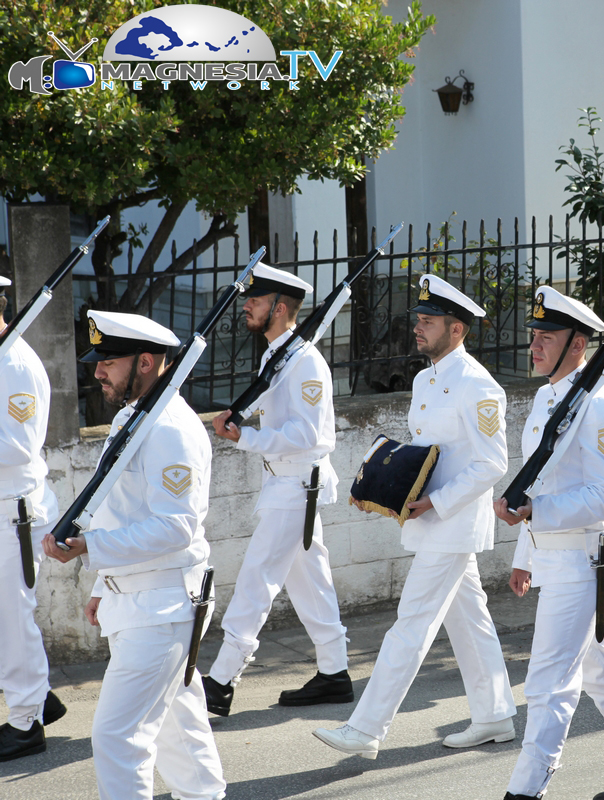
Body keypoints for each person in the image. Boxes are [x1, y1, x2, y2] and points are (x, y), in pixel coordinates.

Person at [314, 274, 516, 757]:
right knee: (470, 622)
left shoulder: (478, 386)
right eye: (419, 321)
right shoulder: (426, 379)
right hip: (427, 517)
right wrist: (393, 483)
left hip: (454, 521)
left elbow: (493, 462)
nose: (418, 329)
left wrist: (439, 503)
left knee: (412, 622)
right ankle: (495, 717)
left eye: (429, 322)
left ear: (458, 329)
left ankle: (366, 729)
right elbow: (431, 453)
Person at [42, 310, 224, 800]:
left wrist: (92, 550)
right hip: (137, 602)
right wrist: (105, 584)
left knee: (119, 738)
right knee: (178, 735)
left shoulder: (170, 429)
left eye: (108, 361)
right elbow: (117, 509)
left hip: (161, 606)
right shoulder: (132, 417)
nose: (97, 371)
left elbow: (177, 527)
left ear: (146, 363)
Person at [495, 286, 604, 800]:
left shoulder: (601, 409)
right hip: (553, 557)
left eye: (546, 336)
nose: (535, 344)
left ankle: (524, 791)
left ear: (578, 344)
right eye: (534, 335)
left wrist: (536, 514)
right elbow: (539, 481)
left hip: (582, 562)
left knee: (549, 685)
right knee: (596, 662)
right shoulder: (549, 398)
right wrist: (525, 556)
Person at [203, 263, 350, 715]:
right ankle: (335, 672)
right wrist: (241, 421)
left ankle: (222, 680)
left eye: (257, 300)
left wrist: (245, 437)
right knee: (310, 581)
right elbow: (272, 410)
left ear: (280, 308)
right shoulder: (276, 355)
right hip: (283, 481)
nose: (246, 305)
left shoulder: (305, 361)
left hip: (297, 485)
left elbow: (310, 435)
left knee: (257, 577)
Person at [0, 276, 66, 762]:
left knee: (11, 618)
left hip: (14, 513)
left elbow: (20, 446)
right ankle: (39, 696)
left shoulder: (15, 364)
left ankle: (26, 723)